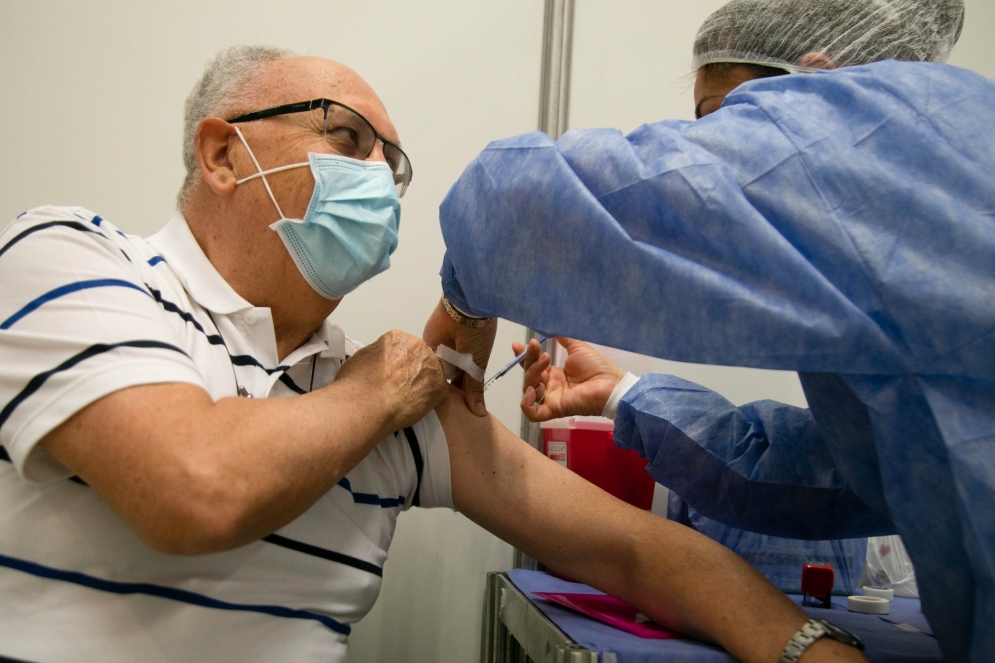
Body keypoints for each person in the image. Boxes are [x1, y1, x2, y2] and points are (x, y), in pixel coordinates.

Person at [0, 46, 862, 663]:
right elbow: (193, 486)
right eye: (348, 139)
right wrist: (373, 393)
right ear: (223, 153)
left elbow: (638, 552)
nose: (381, 178)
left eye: (394, 164)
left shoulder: (397, 403)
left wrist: (806, 646)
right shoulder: (71, 261)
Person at [424, 0, 995, 660]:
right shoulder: (950, 158)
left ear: (815, 83)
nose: (716, 150)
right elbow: (852, 473)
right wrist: (619, 394)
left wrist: (463, 316)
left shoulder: (873, 141)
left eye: (728, 118)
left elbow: (508, 212)